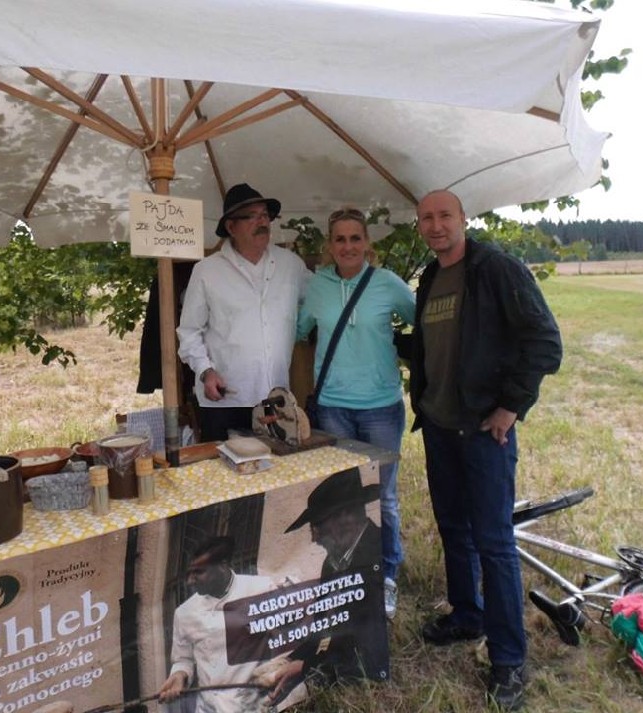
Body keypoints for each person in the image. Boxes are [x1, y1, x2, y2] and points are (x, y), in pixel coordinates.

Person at [408, 189, 563, 711]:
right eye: (426, 218)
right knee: (453, 528)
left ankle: (508, 658)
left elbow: (545, 342)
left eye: (444, 215)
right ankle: (466, 615)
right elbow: (436, 347)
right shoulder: (430, 278)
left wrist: (510, 406)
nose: (435, 225)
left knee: (494, 542)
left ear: (463, 219)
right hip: (439, 427)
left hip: (482, 432)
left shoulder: (496, 268)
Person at [295, 207, 415, 618]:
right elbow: (299, 330)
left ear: (367, 243)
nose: (348, 246)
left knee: (384, 495)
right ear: (330, 246)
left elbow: (422, 321)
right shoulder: (318, 286)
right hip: (332, 407)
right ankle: (350, 575)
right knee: (343, 498)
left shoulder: (387, 283)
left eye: (355, 238)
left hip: (381, 407)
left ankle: (387, 575)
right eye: (340, 239)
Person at [177, 183, 310, 442]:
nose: (262, 222)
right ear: (231, 227)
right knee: (226, 465)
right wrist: (206, 371)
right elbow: (189, 331)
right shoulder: (207, 271)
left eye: (265, 215)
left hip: (276, 398)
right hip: (226, 398)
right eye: (251, 216)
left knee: (276, 464)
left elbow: (320, 300)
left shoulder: (291, 264)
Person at [266, 467, 389, 699]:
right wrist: (290, 660)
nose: (314, 538)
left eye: (317, 525)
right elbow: (324, 628)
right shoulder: (332, 564)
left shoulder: (376, 554)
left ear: (347, 516)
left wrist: (305, 668)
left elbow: (365, 651)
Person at [158, 536, 278, 713]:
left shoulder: (261, 589)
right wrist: (179, 674)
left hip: (256, 706)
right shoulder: (184, 613)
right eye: (189, 574)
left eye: (199, 572)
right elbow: (183, 659)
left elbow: (284, 641)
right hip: (209, 708)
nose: (190, 581)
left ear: (222, 566)